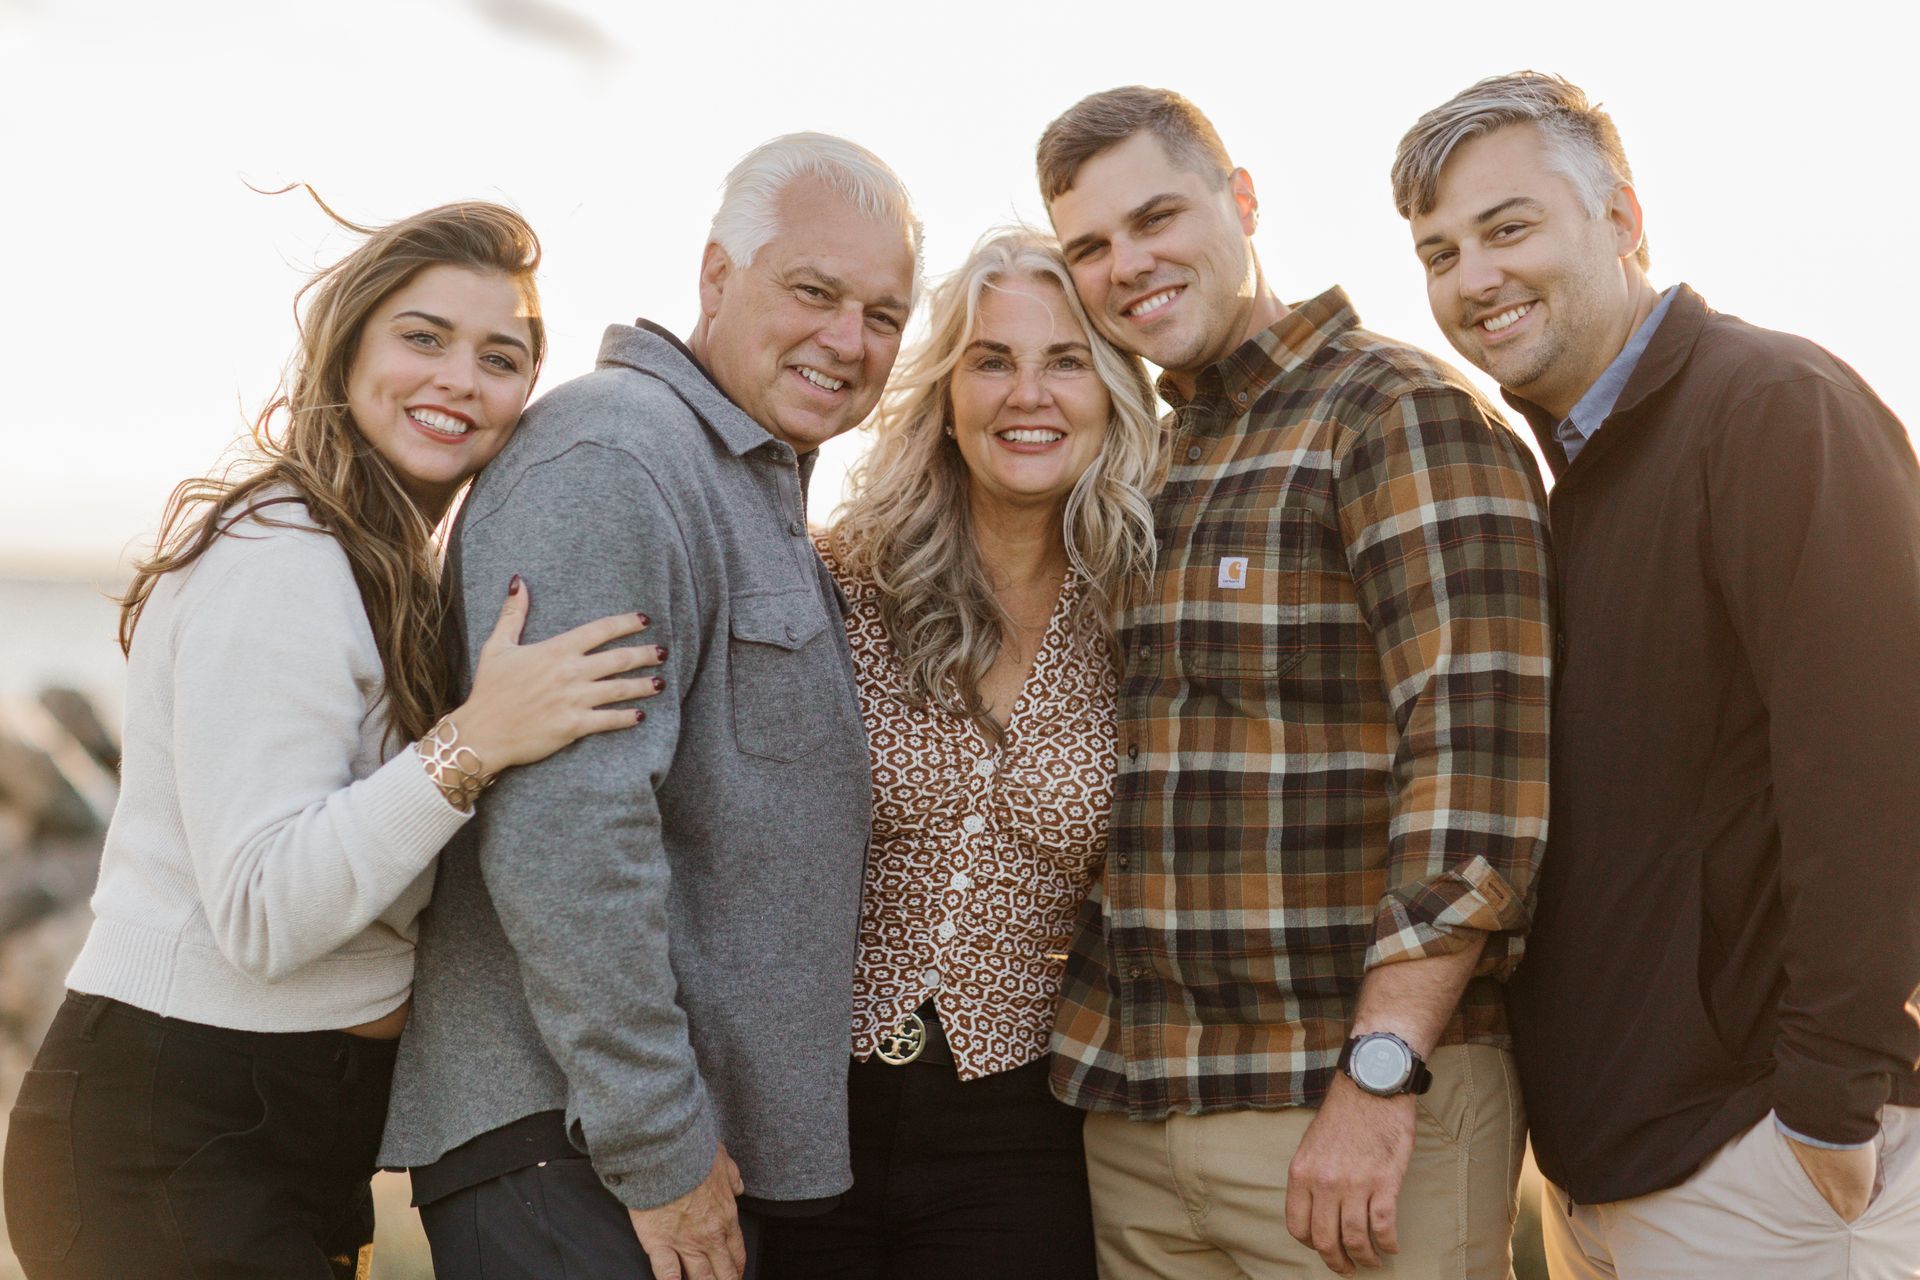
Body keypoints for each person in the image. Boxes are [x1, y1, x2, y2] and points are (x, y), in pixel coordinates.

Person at [0, 200, 664, 1279]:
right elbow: (263, 911)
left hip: (290, 1124)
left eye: (500, 356)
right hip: (172, 1128)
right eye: (423, 336)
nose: (458, 377)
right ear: (349, 344)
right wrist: (473, 742)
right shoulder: (282, 554)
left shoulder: (381, 561)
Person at [1394, 70, 1920, 1278]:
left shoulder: (1777, 408)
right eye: (1439, 252)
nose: (1473, 278)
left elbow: (1877, 769)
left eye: (1508, 227)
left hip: (1767, 1165)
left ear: (1623, 217)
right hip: (1613, 1168)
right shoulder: (1565, 481)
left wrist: (1828, 1105)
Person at [377, 133, 921, 1280]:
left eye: (884, 312)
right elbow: (569, 831)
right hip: (572, 1148)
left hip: (632, 1152)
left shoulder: (734, 473)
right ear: (717, 276)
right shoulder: (614, 457)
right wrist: (656, 1141)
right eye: (814, 292)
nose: (848, 339)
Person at [1034, 87, 1556, 1279]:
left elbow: (1475, 782)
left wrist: (1379, 1079)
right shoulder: (1149, 458)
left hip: (1352, 1117)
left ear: (1242, 200)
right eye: (1093, 247)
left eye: (1156, 216)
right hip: (1140, 1123)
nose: (1130, 265)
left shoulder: (1396, 414)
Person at [756, 228, 1161, 1278]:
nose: (1028, 393)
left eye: (1064, 360)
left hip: (1024, 1131)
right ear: (944, 392)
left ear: (1113, 390)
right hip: (806, 1116)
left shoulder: (1148, 616)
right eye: (992, 360)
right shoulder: (839, 582)